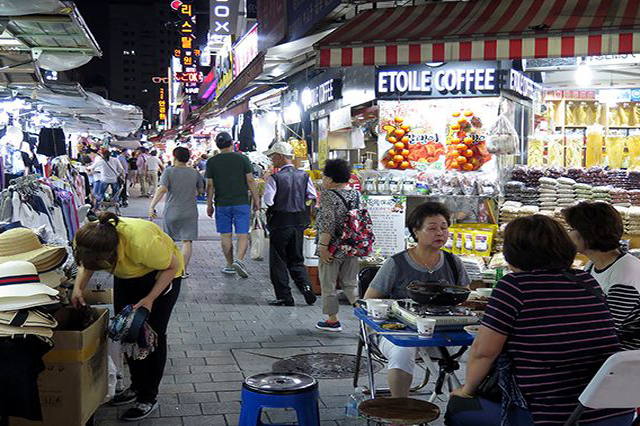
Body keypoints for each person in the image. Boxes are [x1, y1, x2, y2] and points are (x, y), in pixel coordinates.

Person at [445, 215, 633, 426]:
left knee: (458, 407)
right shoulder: (586, 281)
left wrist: (466, 390)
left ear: (513, 252)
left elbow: (484, 352)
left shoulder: (514, 286)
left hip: (553, 416)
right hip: (615, 413)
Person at [71, 212, 184, 422]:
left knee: (151, 338)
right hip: (127, 278)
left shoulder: (141, 242)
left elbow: (173, 266)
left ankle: (148, 396)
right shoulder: (89, 237)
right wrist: (78, 288)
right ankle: (136, 386)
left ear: (112, 253)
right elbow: (87, 262)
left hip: (160, 277)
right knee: (126, 332)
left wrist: (150, 299)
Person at [364, 201, 469, 398]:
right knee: (403, 352)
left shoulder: (454, 263)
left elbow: (465, 298)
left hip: (441, 332)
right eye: (432, 228)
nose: (440, 233)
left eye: (444, 228)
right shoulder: (396, 263)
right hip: (399, 334)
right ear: (416, 231)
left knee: (483, 347)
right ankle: (400, 410)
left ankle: (465, 404)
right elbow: (369, 300)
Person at [563, 201, 640, 350]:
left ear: (587, 233)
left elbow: (605, 330)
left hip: (622, 359)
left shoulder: (624, 274)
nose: (567, 234)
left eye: (571, 228)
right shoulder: (593, 265)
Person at [263, 142, 317, 307]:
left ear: (280, 156)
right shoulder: (304, 176)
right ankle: (308, 290)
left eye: (273, 157)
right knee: (296, 258)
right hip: (299, 223)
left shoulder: (275, 178)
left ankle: (285, 297)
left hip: (280, 222)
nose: (272, 160)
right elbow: (312, 195)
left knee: (278, 260)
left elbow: (268, 200)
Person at [315, 159, 361, 331]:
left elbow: (328, 223)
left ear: (332, 178)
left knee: (329, 284)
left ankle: (332, 320)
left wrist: (323, 247)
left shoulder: (328, 195)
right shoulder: (355, 194)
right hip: (352, 245)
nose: (323, 180)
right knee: (350, 283)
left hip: (333, 247)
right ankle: (365, 317)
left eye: (325, 176)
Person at [205, 132, 260, 278]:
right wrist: (256, 199)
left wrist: (209, 204)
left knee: (225, 235)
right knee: (242, 234)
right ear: (232, 143)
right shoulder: (243, 158)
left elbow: (210, 185)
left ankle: (229, 265)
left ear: (218, 145)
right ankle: (239, 261)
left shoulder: (212, 161)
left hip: (222, 203)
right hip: (241, 202)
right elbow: (250, 180)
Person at [148, 146, 204, 278]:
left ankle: (171, 270)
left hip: (172, 211)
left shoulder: (169, 172)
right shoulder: (194, 173)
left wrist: (152, 206)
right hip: (190, 211)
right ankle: (182, 271)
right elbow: (201, 191)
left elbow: (162, 189)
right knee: (187, 242)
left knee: (169, 241)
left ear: (174, 157)